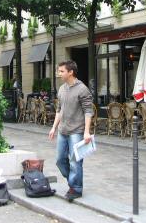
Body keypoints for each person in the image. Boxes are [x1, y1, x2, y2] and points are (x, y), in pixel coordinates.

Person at [48, 61, 93, 202]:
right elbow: (59, 110)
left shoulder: (82, 89)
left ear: (70, 72)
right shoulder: (62, 88)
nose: (59, 73)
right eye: (59, 71)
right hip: (63, 130)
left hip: (77, 131)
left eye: (61, 71)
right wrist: (54, 127)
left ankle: (76, 188)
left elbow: (88, 111)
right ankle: (73, 181)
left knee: (75, 162)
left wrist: (86, 132)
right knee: (60, 160)